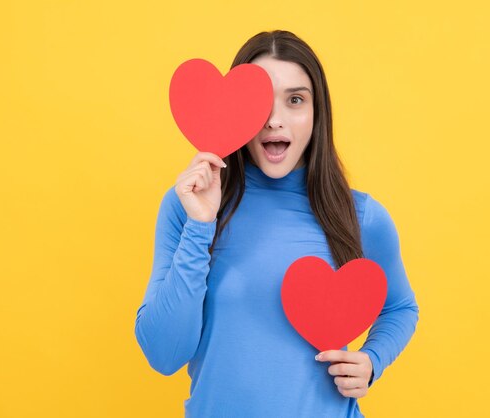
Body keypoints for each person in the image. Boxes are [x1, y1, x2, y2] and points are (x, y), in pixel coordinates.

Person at [134, 30, 419, 418]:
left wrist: (372, 360)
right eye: (260, 103)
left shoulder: (360, 215)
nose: (274, 121)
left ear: (317, 114)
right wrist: (200, 225)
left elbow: (401, 307)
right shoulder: (188, 205)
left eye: (295, 100)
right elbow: (163, 353)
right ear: (235, 111)